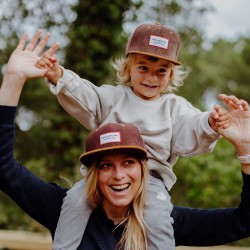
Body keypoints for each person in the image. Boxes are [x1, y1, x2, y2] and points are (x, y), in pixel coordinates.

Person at [0, 30, 250, 250]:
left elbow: (193, 125)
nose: (151, 78)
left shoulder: (174, 107)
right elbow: (87, 95)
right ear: (127, 68)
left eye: (160, 71)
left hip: (153, 183)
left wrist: (217, 127)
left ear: (171, 75)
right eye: (143, 68)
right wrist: (57, 75)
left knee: (155, 217)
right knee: (75, 200)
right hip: (89, 189)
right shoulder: (113, 97)